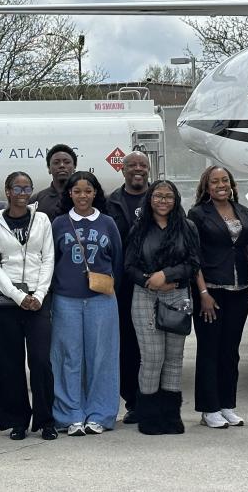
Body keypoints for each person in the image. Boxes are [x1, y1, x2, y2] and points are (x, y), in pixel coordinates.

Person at [49, 171, 124, 436]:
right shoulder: (58, 223)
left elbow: (117, 261)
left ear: (95, 194)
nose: (82, 196)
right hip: (66, 300)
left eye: (88, 191)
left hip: (101, 300)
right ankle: (70, 415)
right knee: (67, 358)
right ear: (69, 194)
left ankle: (100, 414)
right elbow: (52, 260)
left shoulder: (107, 223)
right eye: (77, 191)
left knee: (101, 357)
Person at [0, 171, 57, 441]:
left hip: (38, 300)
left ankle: (45, 420)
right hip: (7, 302)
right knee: (9, 364)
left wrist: (38, 295)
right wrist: (18, 296)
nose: (22, 192)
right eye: (17, 188)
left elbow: (47, 258)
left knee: (40, 362)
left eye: (27, 187)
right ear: (7, 191)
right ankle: (16, 421)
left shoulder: (42, 219)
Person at [124, 180, 199, 435]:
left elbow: (193, 263)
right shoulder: (139, 228)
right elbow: (129, 266)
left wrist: (167, 275)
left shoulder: (187, 227)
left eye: (168, 196)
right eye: (158, 196)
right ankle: (149, 416)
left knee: (174, 359)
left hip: (178, 296)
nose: (163, 201)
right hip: (145, 297)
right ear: (150, 199)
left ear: (176, 199)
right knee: (153, 357)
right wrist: (149, 281)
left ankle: (171, 416)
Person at [188, 166, 248, 429]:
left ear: (232, 184)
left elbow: (247, 247)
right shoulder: (197, 214)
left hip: (240, 291)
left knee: (230, 351)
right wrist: (202, 292)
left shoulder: (243, 212)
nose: (220, 185)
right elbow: (193, 257)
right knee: (209, 350)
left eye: (224, 180)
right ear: (206, 186)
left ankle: (227, 405)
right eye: (214, 181)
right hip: (211, 292)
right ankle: (209, 408)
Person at [105, 150, 149, 423]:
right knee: (128, 346)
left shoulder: (161, 196)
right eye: (131, 164)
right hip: (123, 286)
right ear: (122, 170)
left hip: (155, 284)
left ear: (148, 169)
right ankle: (133, 401)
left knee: (154, 346)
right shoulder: (112, 203)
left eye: (142, 165)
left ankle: (154, 399)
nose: (137, 169)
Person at [30, 144, 76, 219]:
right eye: (56, 162)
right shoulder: (36, 200)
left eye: (67, 162)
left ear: (74, 167)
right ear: (49, 169)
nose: (62, 165)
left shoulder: (83, 197)